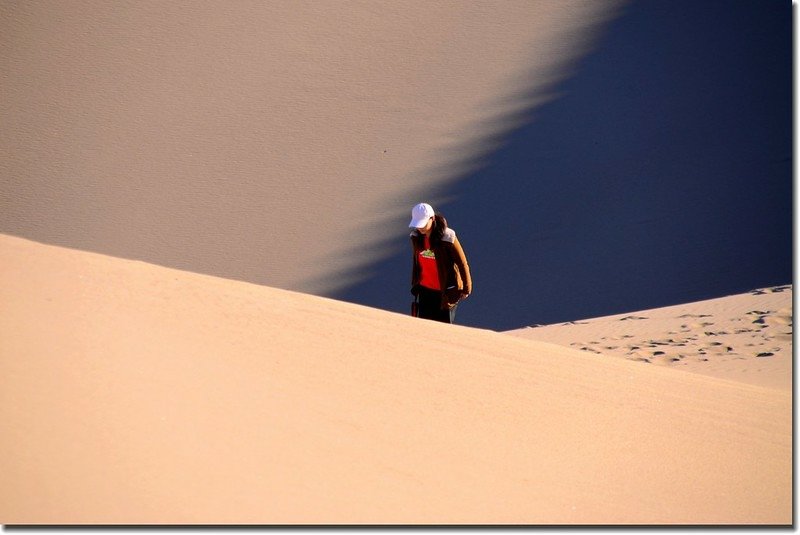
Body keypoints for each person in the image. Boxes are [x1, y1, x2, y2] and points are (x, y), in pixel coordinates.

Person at [408, 202, 472, 323]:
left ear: (432, 219)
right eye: (417, 224)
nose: (419, 227)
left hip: (446, 292)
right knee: (425, 329)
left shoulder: (448, 237)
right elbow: (417, 263)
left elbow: (462, 263)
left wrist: (466, 288)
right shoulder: (416, 237)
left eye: (422, 223)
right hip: (424, 292)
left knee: (443, 329)